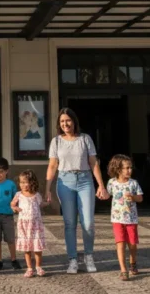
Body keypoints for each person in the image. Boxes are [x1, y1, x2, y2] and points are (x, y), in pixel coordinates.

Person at [45, 107, 109, 274]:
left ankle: (88, 256)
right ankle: (72, 259)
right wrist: (47, 188)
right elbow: (52, 166)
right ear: (59, 124)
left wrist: (101, 185)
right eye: (62, 121)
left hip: (85, 180)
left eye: (68, 120)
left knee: (88, 222)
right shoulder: (56, 141)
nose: (65, 124)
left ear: (74, 121)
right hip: (64, 181)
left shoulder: (85, 139)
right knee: (69, 223)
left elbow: (93, 163)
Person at [105, 154, 143, 281]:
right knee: (120, 243)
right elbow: (107, 195)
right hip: (117, 219)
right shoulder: (111, 183)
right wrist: (101, 194)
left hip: (131, 219)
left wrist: (133, 197)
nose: (129, 170)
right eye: (126, 168)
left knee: (132, 244)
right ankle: (123, 269)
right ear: (118, 169)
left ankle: (133, 263)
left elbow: (140, 198)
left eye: (130, 168)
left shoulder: (133, 183)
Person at [11, 169, 46, 278]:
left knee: (37, 247)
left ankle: (38, 266)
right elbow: (12, 204)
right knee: (27, 248)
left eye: (26, 182)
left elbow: (41, 204)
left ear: (32, 182)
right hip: (24, 225)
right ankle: (29, 268)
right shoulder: (18, 194)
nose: (24, 185)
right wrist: (14, 208)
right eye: (21, 182)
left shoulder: (36, 195)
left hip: (36, 225)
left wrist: (48, 202)